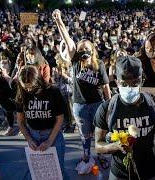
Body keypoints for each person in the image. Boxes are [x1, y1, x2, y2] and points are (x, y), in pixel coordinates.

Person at [53, 9, 111, 170]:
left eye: (86, 49)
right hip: (80, 105)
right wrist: (59, 21)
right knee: (84, 135)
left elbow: (106, 86)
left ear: (92, 50)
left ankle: (101, 155)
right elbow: (67, 38)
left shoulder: (99, 64)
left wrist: (109, 106)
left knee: (100, 133)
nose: (83, 52)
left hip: (98, 104)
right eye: (81, 50)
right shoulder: (75, 61)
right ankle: (86, 155)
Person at [94, 55, 155, 180]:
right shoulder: (107, 108)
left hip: (148, 172)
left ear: (141, 80)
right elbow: (98, 146)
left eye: (134, 83)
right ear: (117, 82)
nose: (129, 88)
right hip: (119, 174)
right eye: (124, 83)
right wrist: (116, 146)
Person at [15, 66, 67, 177]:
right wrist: (29, 139)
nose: (28, 90)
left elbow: (60, 118)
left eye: (31, 87)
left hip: (52, 134)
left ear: (37, 80)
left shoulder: (53, 91)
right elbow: (20, 121)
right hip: (33, 135)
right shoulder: (21, 94)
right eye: (25, 87)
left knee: (57, 171)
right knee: (39, 173)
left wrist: (49, 141)